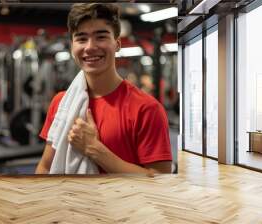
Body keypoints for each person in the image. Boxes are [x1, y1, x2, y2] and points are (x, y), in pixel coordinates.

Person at [35, 3, 172, 175]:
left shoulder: (147, 108)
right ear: (72, 47)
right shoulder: (61, 102)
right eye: (81, 38)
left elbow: (160, 181)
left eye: (101, 37)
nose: (90, 47)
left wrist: (94, 148)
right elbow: (45, 167)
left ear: (117, 44)